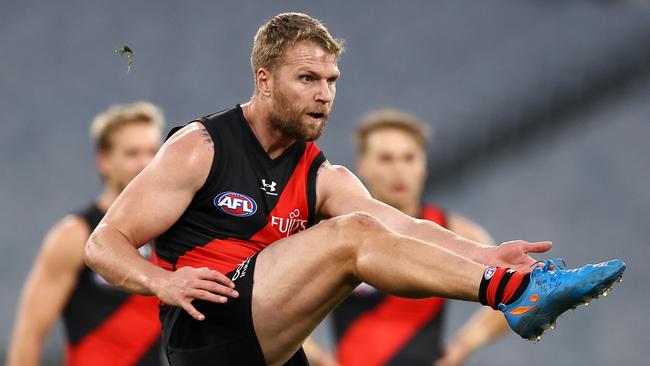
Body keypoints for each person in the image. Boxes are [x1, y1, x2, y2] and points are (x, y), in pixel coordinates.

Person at [84, 13, 625, 366]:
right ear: (263, 79)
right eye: (308, 80)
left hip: (268, 344)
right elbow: (103, 244)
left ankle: (508, 282)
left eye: (332, 81)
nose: (324, 95)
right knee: (351, 236)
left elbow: (401, 228)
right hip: (206, 333)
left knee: (364, 227)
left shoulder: (324, 175)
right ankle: (513, 295)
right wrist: (163, 282)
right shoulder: (200, 147)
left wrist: (487, 254)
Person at [304, 109, 509, 366]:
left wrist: (463, 346)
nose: (398, 170)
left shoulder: (453, 232)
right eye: (386, 159)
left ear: (423, 165)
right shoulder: (335, 230)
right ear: (362, 166)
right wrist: (316, 356)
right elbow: (272, 294)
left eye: (408, 158)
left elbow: (513, 288)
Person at [8, 102, 166, 366]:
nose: (145, 163)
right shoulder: (75, 235)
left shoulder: (169, 234)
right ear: (104, 161)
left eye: (152, 151)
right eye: (132, 153)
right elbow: (29, 335)